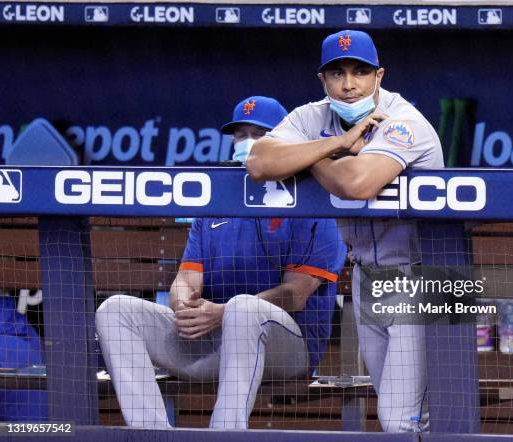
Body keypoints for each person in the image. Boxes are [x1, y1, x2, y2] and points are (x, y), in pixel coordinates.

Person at [95, 96, 346, 429]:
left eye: (260, 133)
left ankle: (225, 435)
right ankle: (150, 433)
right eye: (240, 135)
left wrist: (222, 313)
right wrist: (183, 305)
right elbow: (187, 277)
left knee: (243, 309)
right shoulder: (216, 202)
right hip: (211, 340)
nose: (248, 143)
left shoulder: (311, 202)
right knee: (114, 311)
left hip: (286, 350)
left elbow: (295, 295)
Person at [247, 30, 444, 432]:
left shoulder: (403, 120)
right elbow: (260, 161)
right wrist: (337, 143)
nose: (349, 84)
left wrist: (310, 155)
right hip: (367, 278)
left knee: (402, 420)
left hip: (424, 276)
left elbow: (356, 184)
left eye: (360, 72)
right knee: (401, 416)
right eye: (337, 73)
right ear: (323, 79)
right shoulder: (313, 116)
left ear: (379, 76)